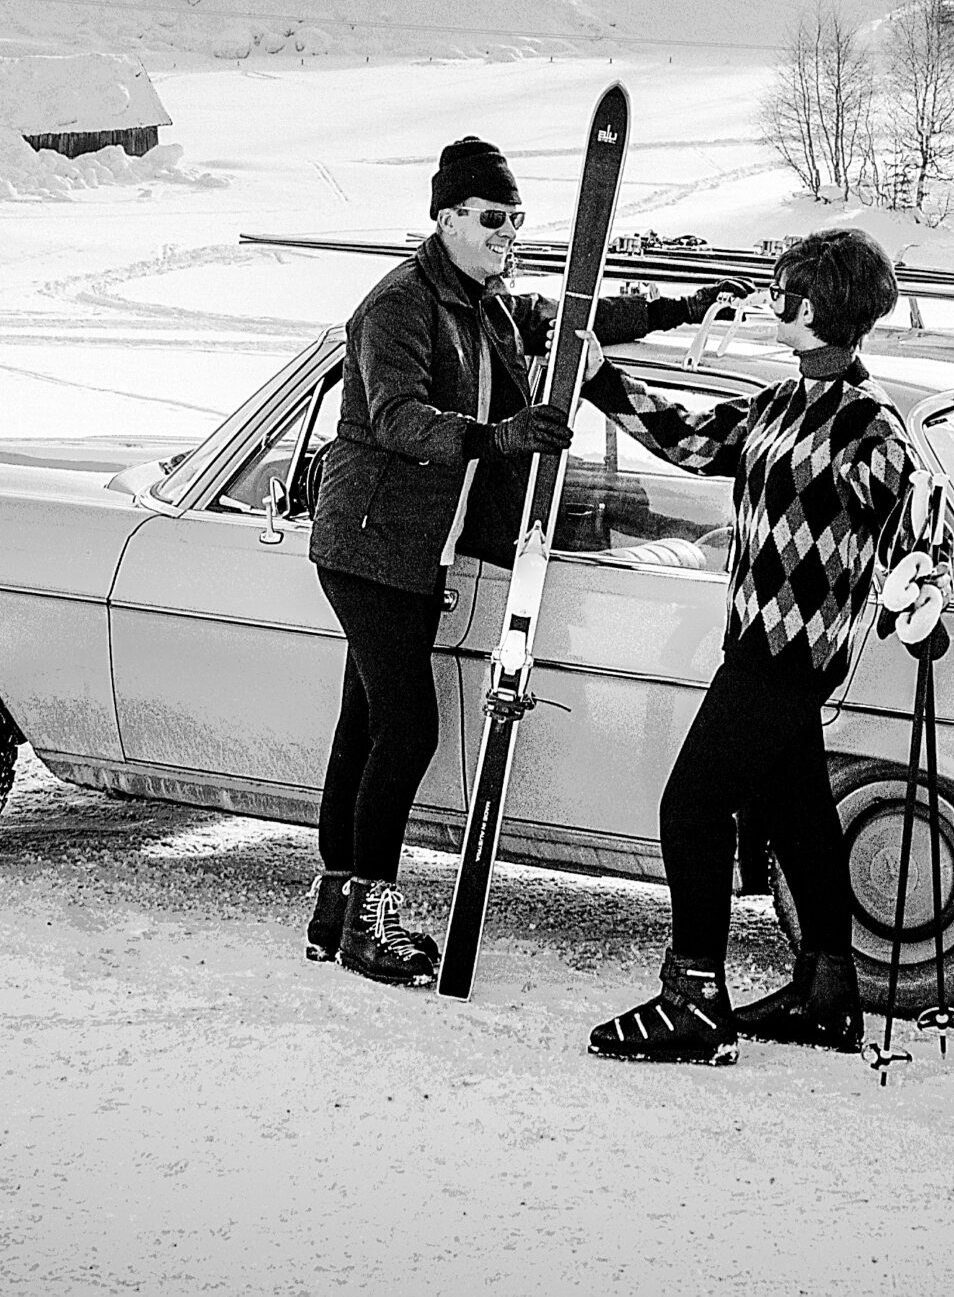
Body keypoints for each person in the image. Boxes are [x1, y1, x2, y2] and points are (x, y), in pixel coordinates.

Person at [304, 136, 748, 986]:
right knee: (406, 728)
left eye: (516, 217)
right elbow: (398, 418)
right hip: (371, 543)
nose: (508, 232)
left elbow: (573, 319)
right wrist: (496, 437)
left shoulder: (485, 300)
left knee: (364, 725)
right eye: (492, 217)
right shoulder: (399, 306)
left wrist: (675, 308)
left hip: (414, 547)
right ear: (446, 218)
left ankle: (336, 908)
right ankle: (369, 917)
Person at [582, 230, 915, 1063]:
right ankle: (826, 991)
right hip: (754, 642)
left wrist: (922, 586)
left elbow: (916, 522)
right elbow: (689, 440)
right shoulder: (778, 402)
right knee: (791, 807)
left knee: (691, 805)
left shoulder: (871, 427)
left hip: (790, 656)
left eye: (785, 294)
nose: (773, 305)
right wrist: (595, 377)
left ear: (817, 308)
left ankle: (692, 998)